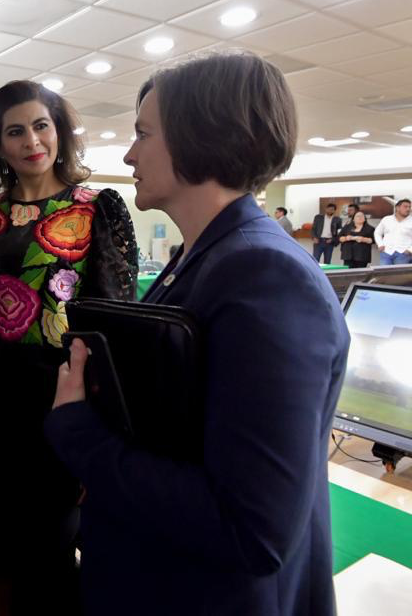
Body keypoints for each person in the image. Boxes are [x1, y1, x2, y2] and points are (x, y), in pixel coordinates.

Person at [46, 51, 349, 615]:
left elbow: (252, 528)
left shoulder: (266, 275)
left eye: (143, 134)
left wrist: (79, 434)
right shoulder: (204, 257)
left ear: (199, 135)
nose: (129, 153)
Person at [0, 80, 138, 613]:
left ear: (59, 132)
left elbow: (115, 329)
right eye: (15, 131)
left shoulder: (97, 208)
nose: (32, 141)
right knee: (6, 530)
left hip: (63, 400)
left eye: (41, 125)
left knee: (52, 544)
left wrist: (106, 426)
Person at [374, 197, 412, 265]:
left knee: (400, 272)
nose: (408, 209)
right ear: (397, 208)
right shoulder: (386, 219)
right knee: (384, 271)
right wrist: (380, 244)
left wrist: (410, 250)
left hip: (404, 253)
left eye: (409, 207)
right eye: (405, 207)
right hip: (386, 252)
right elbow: (377, 232)